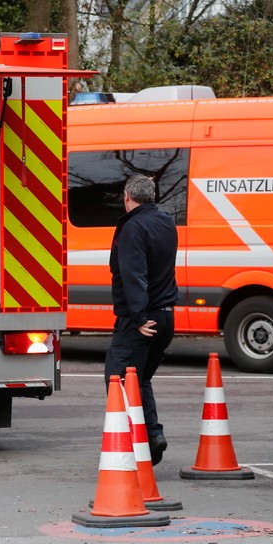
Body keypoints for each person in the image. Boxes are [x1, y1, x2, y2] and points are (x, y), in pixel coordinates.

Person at [105, 174, 179, 466]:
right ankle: (152, 435)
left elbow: (134, 274)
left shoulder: (133, 227)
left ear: (127, 195)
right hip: (165, 317)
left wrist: (136, 317)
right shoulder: (165, 222)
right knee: (140, 379)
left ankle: (133, 446)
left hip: (142, 320)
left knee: (118, 380)